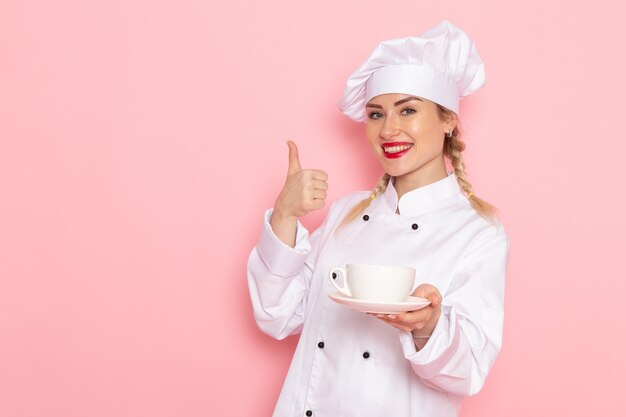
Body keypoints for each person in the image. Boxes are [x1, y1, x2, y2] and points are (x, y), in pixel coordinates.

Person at [247, 20, 509, 417]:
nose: (389, 129)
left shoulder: (478, 232)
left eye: (408, 110)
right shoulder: (346, 213)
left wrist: (427, 326)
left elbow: (469, 370)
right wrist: (284, 215)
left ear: (448, 119)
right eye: (375, 114)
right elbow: (278, 315)